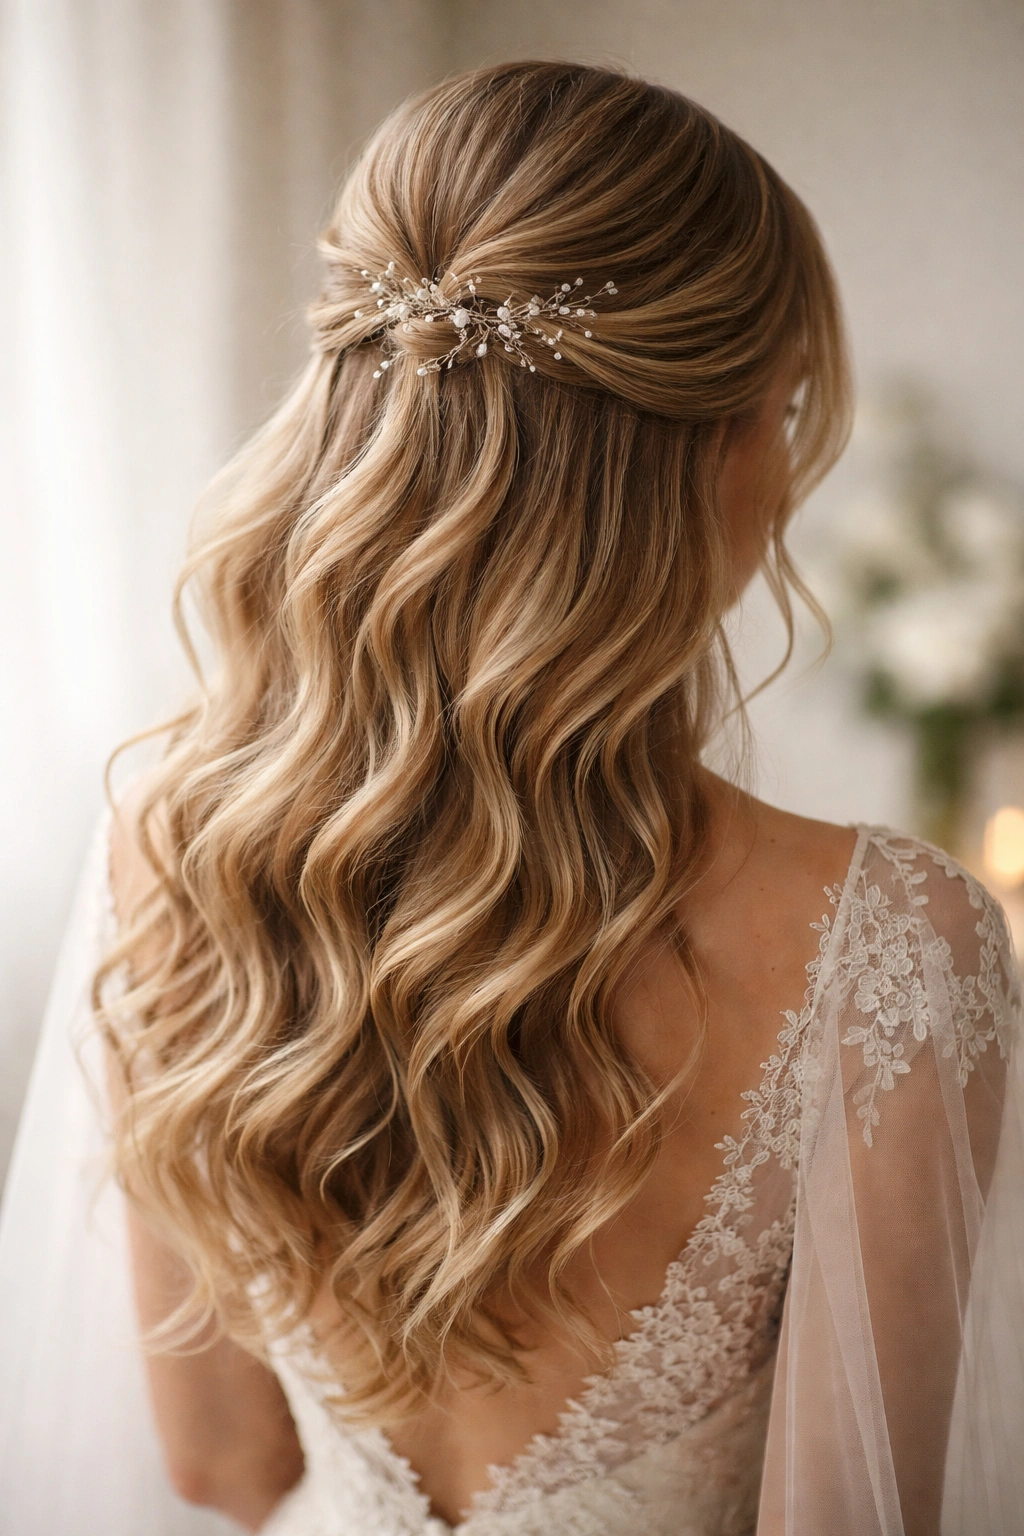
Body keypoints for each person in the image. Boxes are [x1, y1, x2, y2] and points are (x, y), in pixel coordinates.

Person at [0, 61, 1021, 1536]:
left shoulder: (178, 846)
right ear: (698, 453)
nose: (789, 476)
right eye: (784, 409)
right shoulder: (887, 941)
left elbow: (225, 1465)